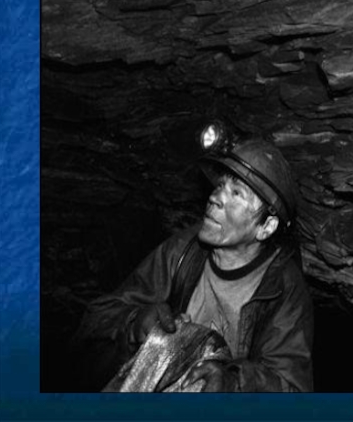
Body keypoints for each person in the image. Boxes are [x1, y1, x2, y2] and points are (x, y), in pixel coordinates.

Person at [73, 133, 314, 392]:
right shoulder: (182, 251)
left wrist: (234, 383)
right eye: (220, 185)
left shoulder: (284, 289)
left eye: (236, 193)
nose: (215, 197)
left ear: (266, 226)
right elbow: (96, 318)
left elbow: (292, 389)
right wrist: (134, 323)